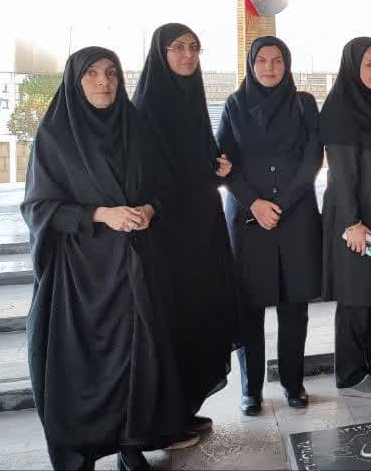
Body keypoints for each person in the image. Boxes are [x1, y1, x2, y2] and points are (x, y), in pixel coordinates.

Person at [23, 47, 189, 471]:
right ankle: (81, 454)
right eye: (92, 74)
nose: (104, 82)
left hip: (135, 269)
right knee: (86, 367)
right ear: (75, 81)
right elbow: (38, 207)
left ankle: (131, 443)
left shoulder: (136, 128)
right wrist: (99, 214)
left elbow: (164, 189)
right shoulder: (56, 136)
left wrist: (149, 209)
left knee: (137, 360)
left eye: (111, 73)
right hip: (83, 276)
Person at [131, 24, 240, 439]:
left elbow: (197, 160)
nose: (188, 55)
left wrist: (217, 166)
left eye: (194, 48)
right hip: (168, 233)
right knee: (174, 322)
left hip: (202, 227)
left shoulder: (191, 98)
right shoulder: (147, 107)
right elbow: (154, 174)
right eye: (177, 48)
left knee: (200, 316)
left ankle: (184, 409)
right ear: (160, 53)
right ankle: (165, 421)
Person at [218, 37, 322, 416]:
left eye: (277, 60)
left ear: (286, 64)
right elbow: (222, 162)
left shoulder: (304, 104)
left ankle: (294, 383)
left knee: (294, 306)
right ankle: (251, 390)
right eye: (261, 60)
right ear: (251, 64)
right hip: (249, 220)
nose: (269, 67)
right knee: (250, 307)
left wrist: (283, 203)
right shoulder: (235, 105)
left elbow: (313, 157)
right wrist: (255, 203)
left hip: (296, 217)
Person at [319, 38, 371, 399]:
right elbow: (340, 174)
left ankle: (366, 363)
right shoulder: (340, 108)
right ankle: (350, 375)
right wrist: (352, 222)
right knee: (356, 296)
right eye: (370, 64)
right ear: (353, 66)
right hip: (354, 218)